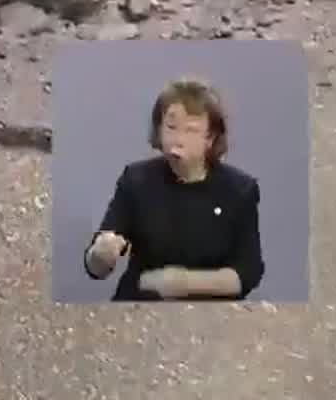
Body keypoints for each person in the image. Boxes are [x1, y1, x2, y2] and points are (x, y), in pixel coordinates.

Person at [82, 77, 265, 301]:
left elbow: (248, 273)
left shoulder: (239, 190)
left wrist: (182, 283)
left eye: (190, 130)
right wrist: (102, 254)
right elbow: (96, 268)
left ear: (210, 138)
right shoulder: (137, 179)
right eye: (170, 127)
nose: (177, 139)